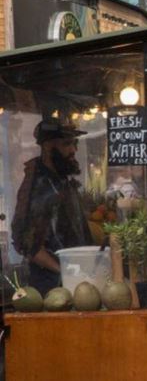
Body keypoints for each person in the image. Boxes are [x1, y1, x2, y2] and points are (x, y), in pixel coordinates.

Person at [11, 118, 92, 296]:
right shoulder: (39, 187)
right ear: (48, 147)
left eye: (74, 143)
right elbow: (28, 245)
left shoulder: (61, 180)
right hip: (52, 289)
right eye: (66, 144)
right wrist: (64, 271)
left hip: (76, 281)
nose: (73, 150)